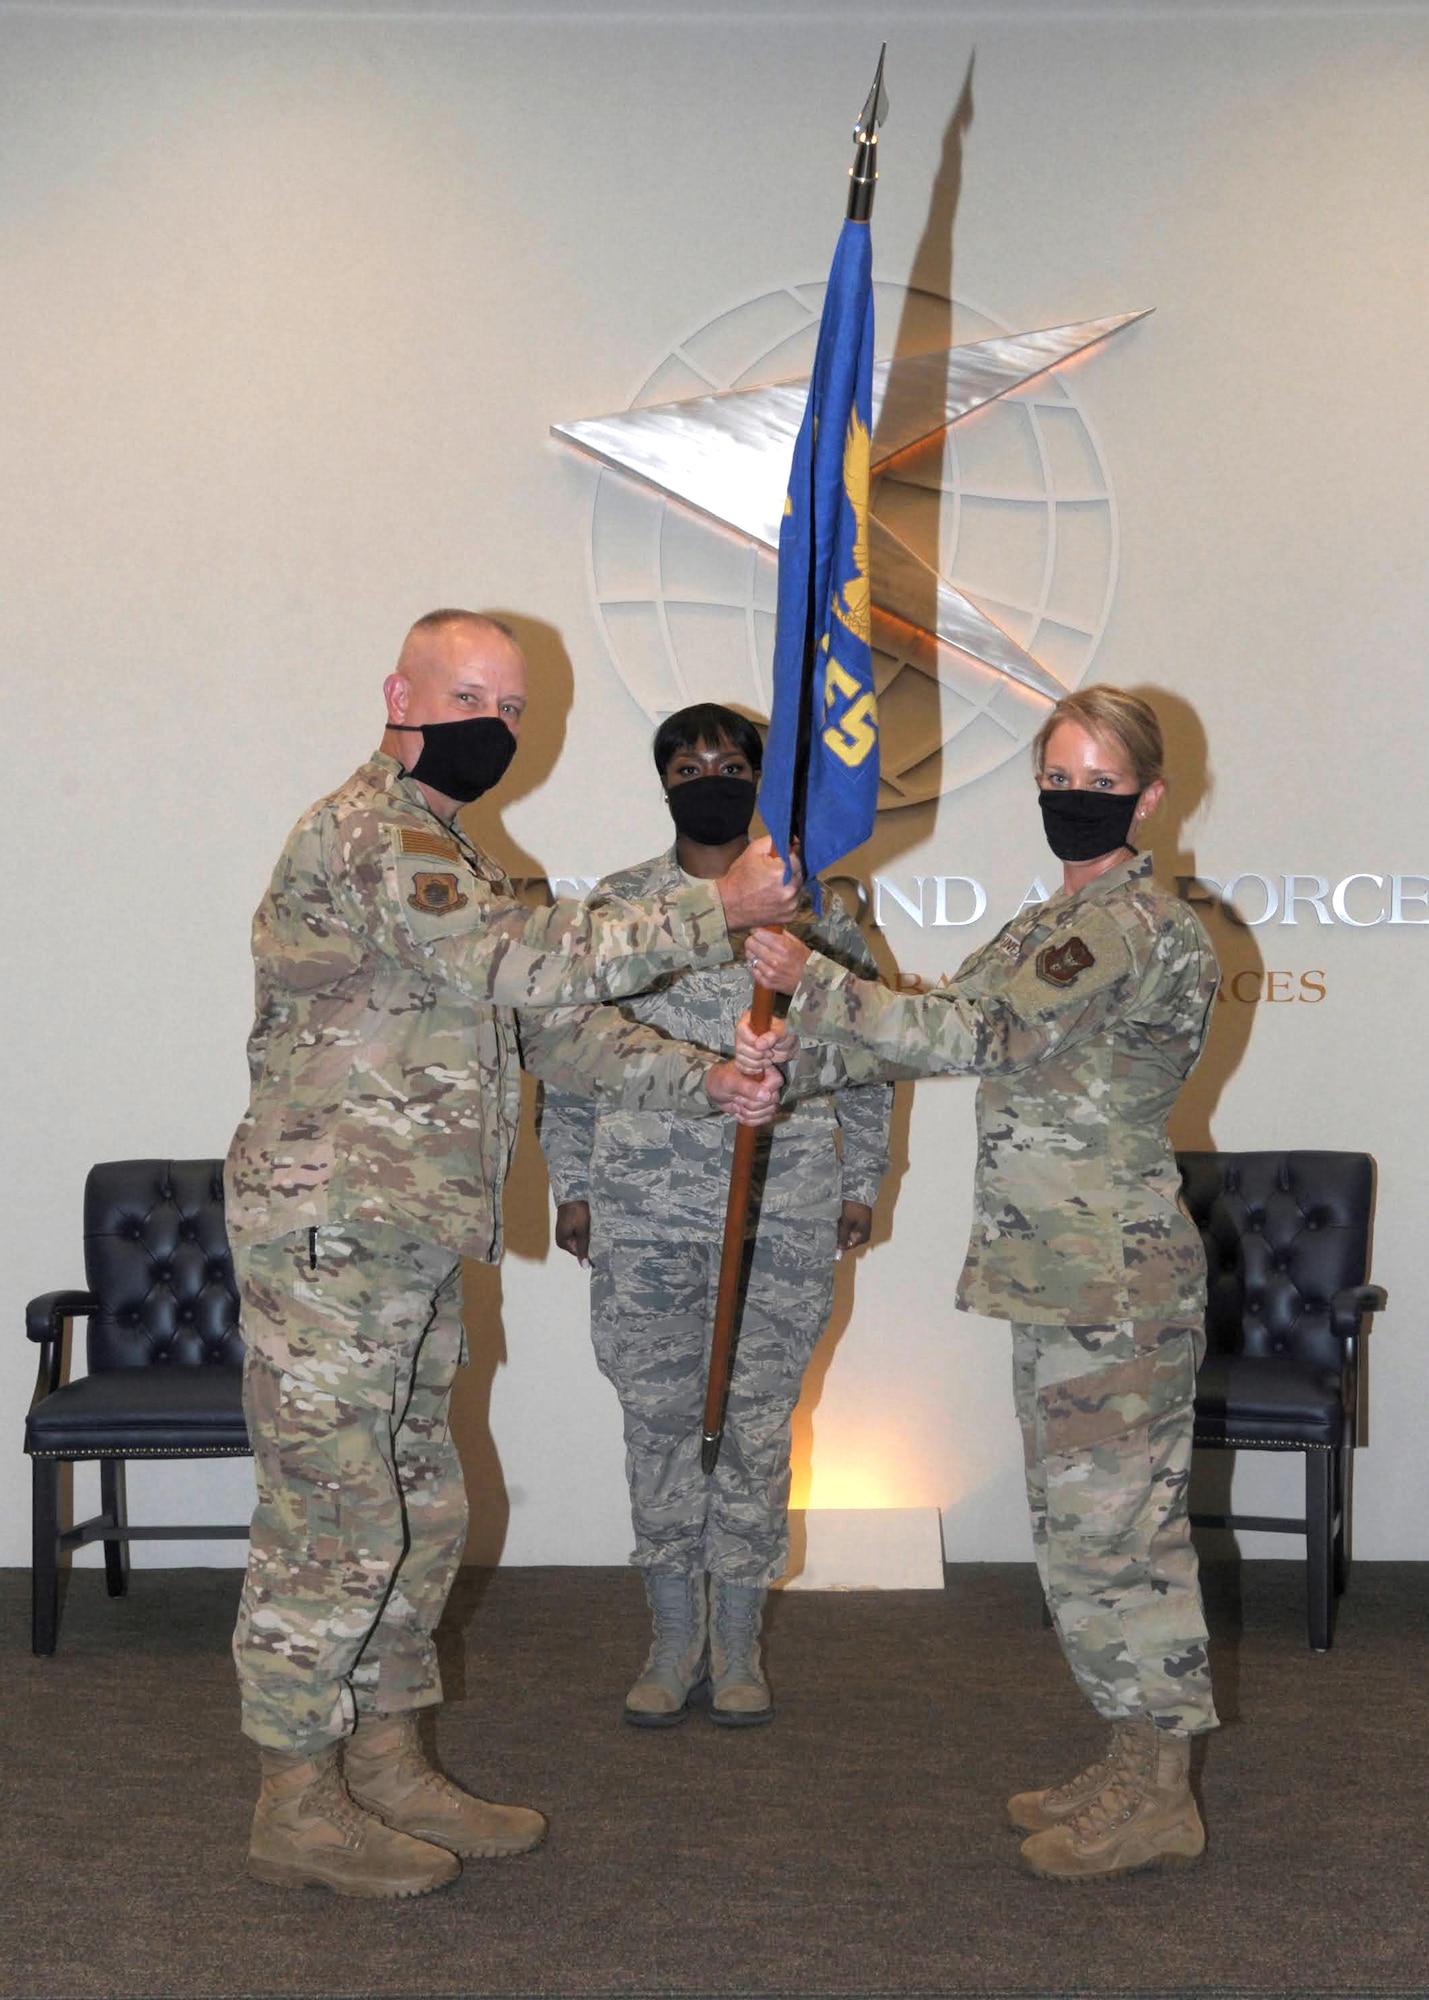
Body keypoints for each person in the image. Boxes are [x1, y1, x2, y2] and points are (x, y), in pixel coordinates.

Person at [226, 611, 801, 1898]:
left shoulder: (462, 854)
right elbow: (515, 957)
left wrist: (703, 1076)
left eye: (516, 703)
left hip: (413, 1236)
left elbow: (557, 1028)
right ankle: (294, 1793)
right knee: (336, 1517)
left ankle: (386, 1757)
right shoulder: (368, 833)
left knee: (422, 1508)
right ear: (399, 691)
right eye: (471, 693)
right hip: (332, 1229)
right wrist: (716, 911)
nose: (497, 720)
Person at [737, 686, 1219, 1881]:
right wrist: (812, 1013)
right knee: (1077, 1535)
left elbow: (975, 1039)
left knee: (1121, 1538)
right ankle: (1127, 1750)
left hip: (1109, 1277)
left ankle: (1162, 1788)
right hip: (1060, 1270)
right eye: (1055, 780)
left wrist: (813, 982)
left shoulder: (1127, 926)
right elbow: (944, 1013)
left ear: (1148, 798)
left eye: (1097, 785)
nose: (1071, 801)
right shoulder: (1049, 918)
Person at [523, 703, 892, 1729]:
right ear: (662, 781)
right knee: (656, 1424)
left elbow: (867, 1050)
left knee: (760, 1424)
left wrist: (860, 1177)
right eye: (685, 763)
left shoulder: (815, 905)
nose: (707, 775)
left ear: (761, 777)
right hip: (643, 1204)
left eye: (729, 762)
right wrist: (577, 1183)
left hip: (782, 1197)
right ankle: (669, 1632)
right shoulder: (620, 907)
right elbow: (567, 1056)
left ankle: (736, 1641)